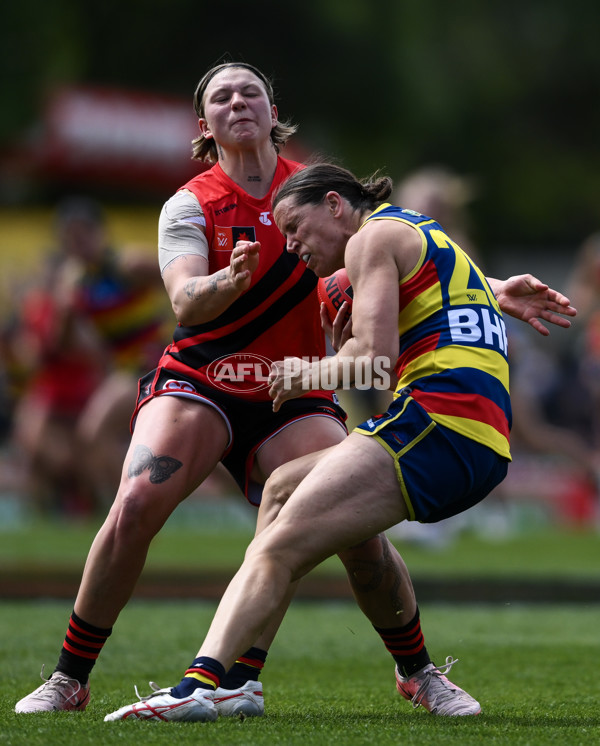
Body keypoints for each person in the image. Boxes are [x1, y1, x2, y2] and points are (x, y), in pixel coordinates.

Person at [15, 63, 576, 719]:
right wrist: (231, 281)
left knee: (356, 529)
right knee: (136, 501)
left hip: (299, 387)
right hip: (204, 375)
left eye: (249, 89)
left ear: (272, 108)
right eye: (220, 95)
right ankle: (69, 679)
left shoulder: (315, 189)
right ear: (204, 127)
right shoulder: (190, 204)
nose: (236, 101)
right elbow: (185, 302)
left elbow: (398, 247)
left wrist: (489, 285)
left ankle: (416, 672)